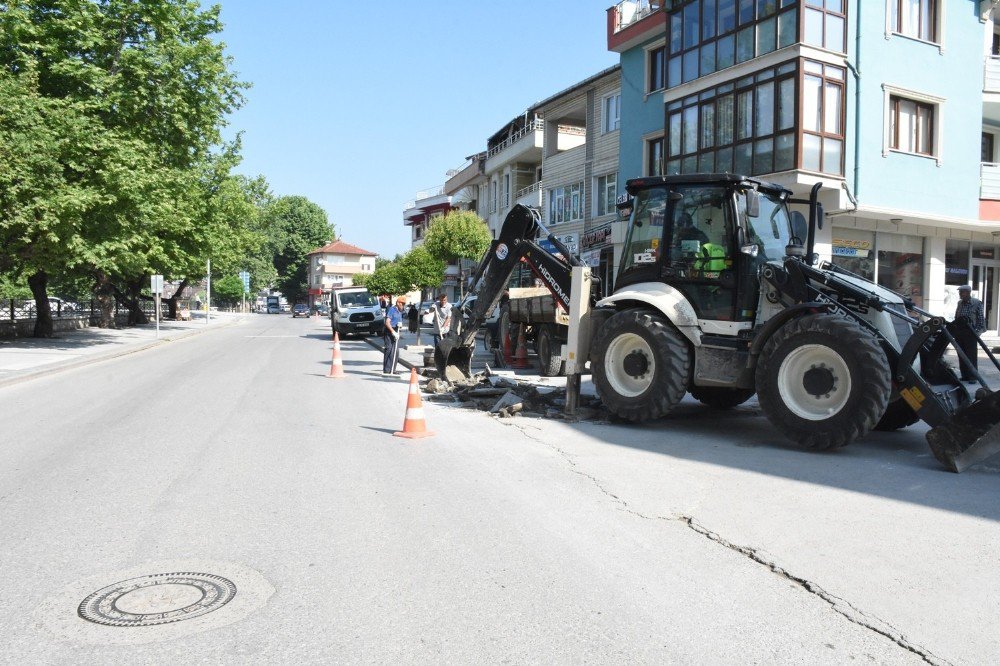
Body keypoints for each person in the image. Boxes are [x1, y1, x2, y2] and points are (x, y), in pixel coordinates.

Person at [952, 285, 986, 383]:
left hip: (971, 333)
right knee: (961, 354)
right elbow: (956, 316)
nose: (960, 294)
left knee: (971, 356)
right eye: (959, 292)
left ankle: (973, 377)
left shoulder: (976, 303)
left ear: (968, 292)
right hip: (960, 332)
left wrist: (977, 332)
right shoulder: (960, 303)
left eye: (961, 292)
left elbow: (980, 319)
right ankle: (965, 376)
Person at [383, 297, 406, 376]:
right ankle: (387, 370)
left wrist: (400, 326)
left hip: (396, 331)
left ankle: (393, 369)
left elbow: (398, 322)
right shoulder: (392, 309)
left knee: (396, 351)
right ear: (398, 303)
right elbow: (387, 322)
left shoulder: (400, 311)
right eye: (402, 304)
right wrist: (393, 332)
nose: (403, 305)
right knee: (389, 350)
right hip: (389, 331)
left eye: (404, 304)